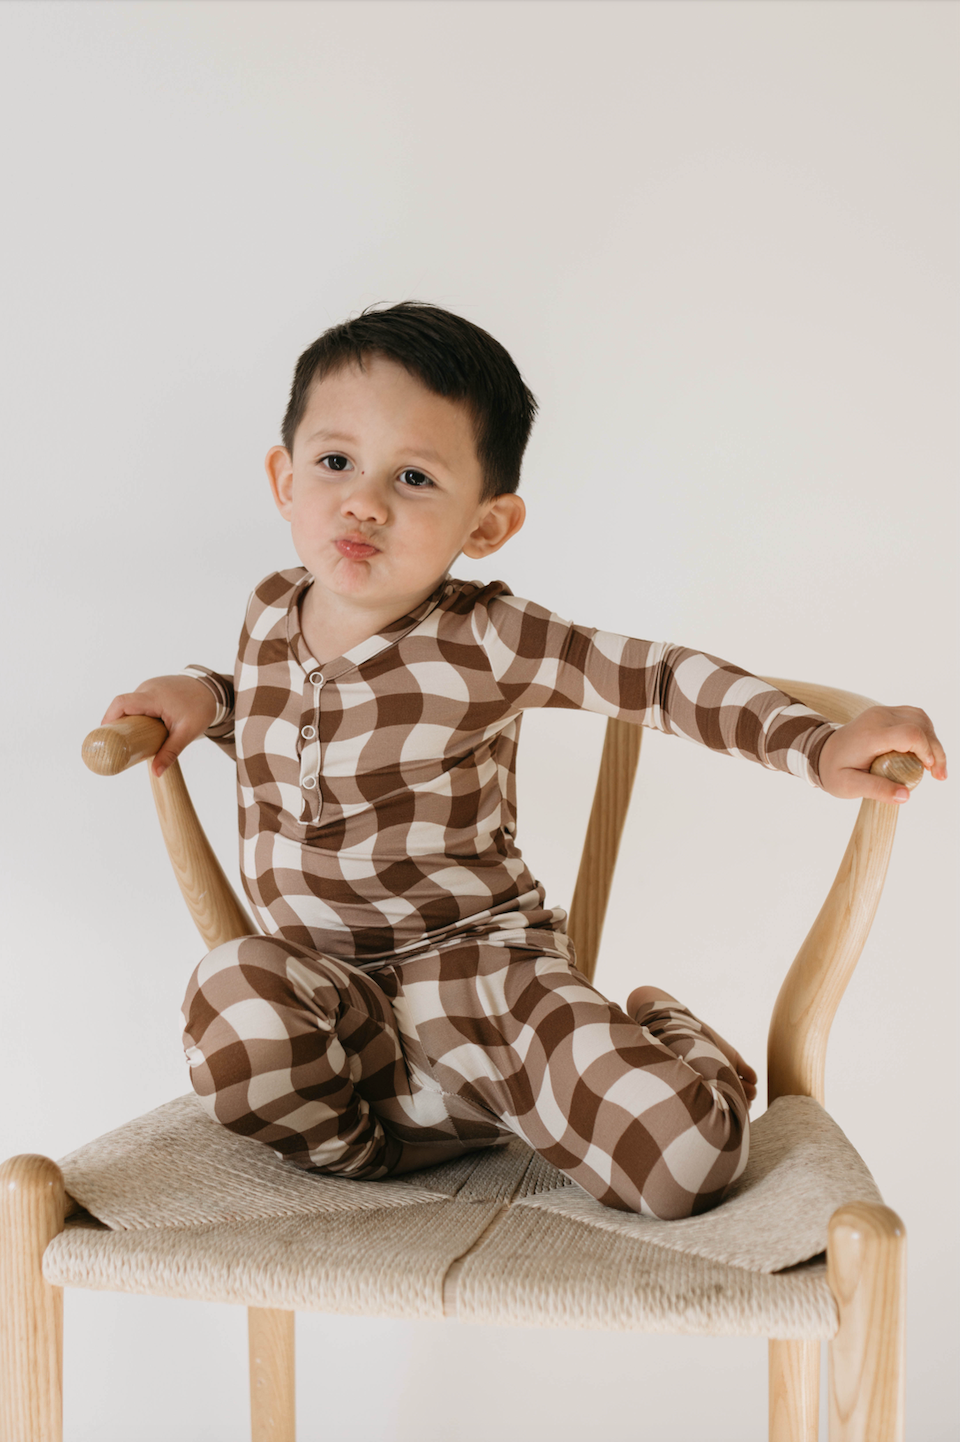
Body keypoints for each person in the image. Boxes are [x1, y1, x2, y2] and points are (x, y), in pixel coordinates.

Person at [102, 303, 947, 1219]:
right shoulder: (272, 611)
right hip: (336, 1024)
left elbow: (657, 682)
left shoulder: (492, 638)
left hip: (482, 992)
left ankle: (672, 1043)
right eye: (335, 462)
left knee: (682, 1172)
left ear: (487, 523)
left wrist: (816, 745)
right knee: (230, 994)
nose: (364, 501)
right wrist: (207, 698)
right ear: (284, 476)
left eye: (415, 477)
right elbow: (282, 714)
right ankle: (373, 1156)